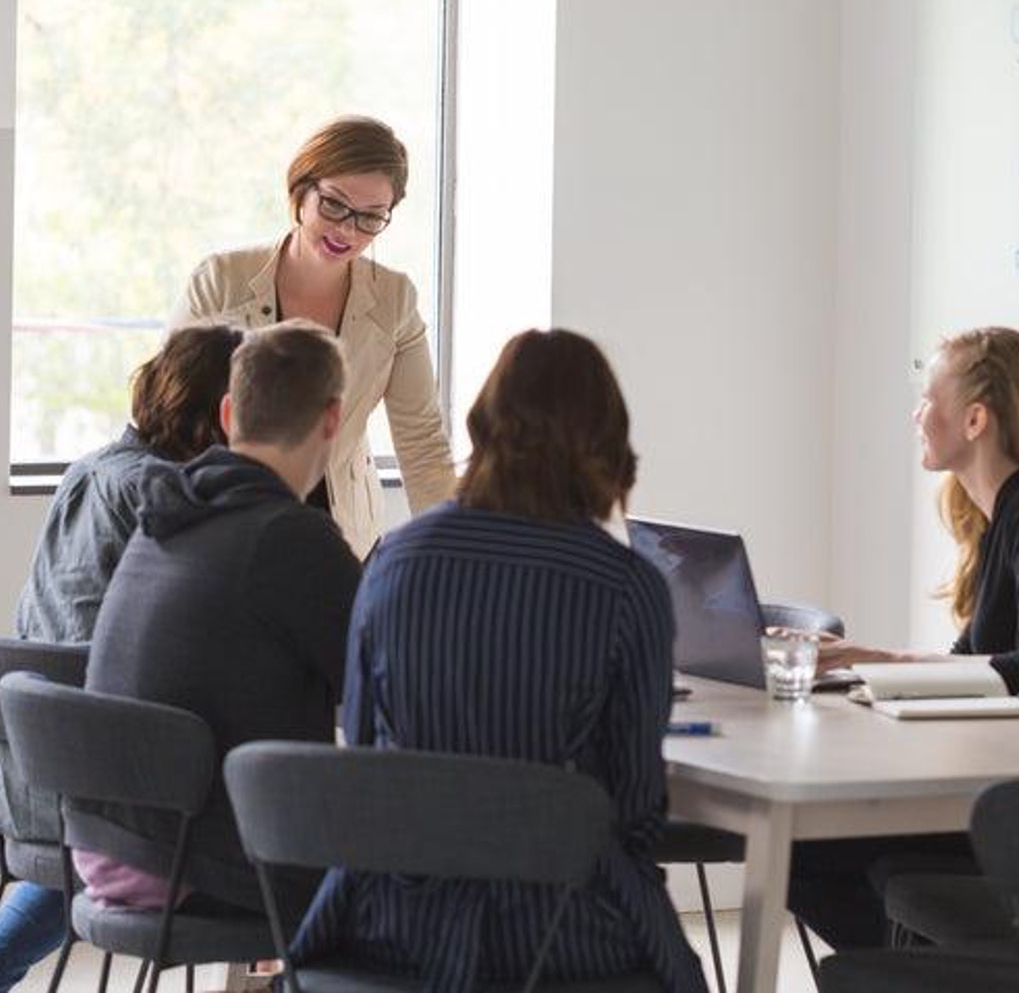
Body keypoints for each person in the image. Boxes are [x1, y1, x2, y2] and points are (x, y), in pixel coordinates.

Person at [289, 329, 706, 993]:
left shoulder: (395, 560)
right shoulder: (627, 587)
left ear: (482, 426)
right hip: (561, 925)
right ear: (606, 441)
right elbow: (633, 807)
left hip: (394, 917)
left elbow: (364, 758)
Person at [0, 322, 243, 993]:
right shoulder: (165, 492)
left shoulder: (90, 469)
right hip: (102, 784)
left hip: (30, 772)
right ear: (219, 413)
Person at [788, 325, 1019, 950]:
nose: (916, 413)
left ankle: (931, 973)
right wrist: (857, 669)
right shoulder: (1004, 514)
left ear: (976, 418)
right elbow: (973, 666)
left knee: (807, 850)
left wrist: (876, 660)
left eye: (928, 397)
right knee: (808, 849)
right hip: (1004, 786)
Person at [72, 320, 362, 918]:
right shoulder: (292, 537)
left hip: (108, 840)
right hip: (196, 860)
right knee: (427, 854)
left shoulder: (166, 513)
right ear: (332, 421)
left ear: (229, 413)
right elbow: (383, 689)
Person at [169, 114, 456, 558]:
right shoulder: (220, 281)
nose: (347, 230)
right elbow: (171, 417)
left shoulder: (394, 299)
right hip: (227, 527)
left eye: (370, 218)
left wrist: (454, 555)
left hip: (342, 537)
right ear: (301, 191)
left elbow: (421, 443)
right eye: (334, 205)